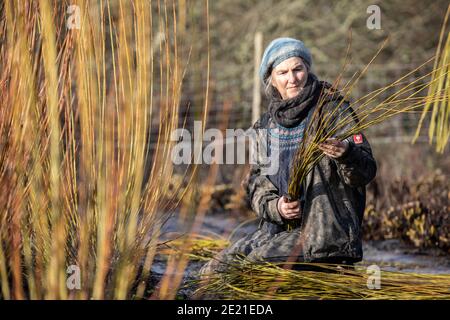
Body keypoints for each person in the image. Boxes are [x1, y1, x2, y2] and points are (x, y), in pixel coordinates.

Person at [199, 37, 377, 276]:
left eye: (297, 69)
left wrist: (346, 154)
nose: (292, 79)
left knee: (250, 266)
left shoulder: (333, 110)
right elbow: (255, 184)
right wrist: (278, 208)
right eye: (283, 72)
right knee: (214, 270)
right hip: (277, 231)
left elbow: (366, 171)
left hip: (323, 236)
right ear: (271, 79)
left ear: (307, 69)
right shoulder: (265, 126)